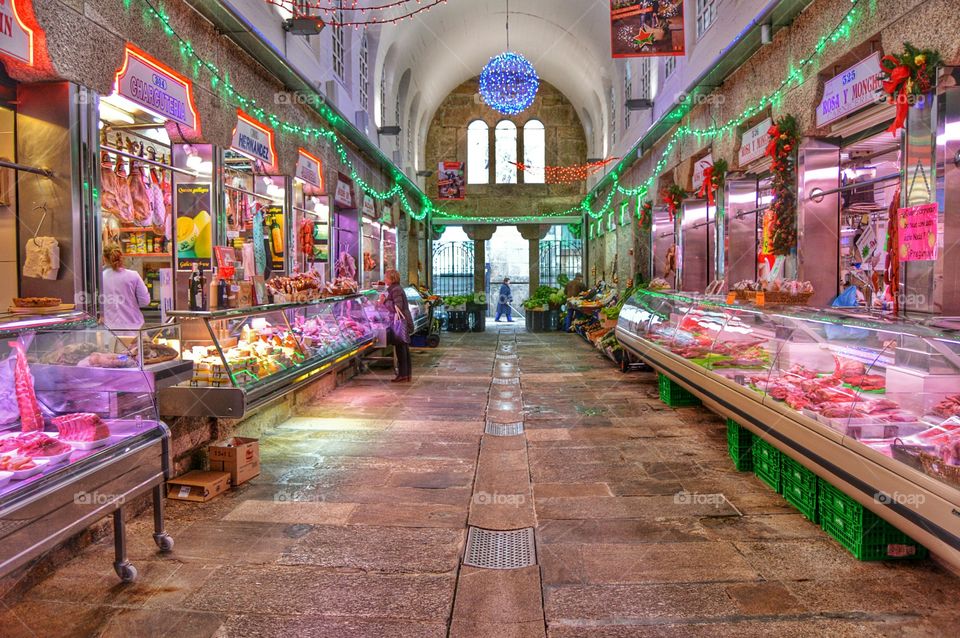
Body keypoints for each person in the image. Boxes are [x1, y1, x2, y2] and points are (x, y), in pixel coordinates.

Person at [101, 243, 151, 330]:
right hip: (134, 328)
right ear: (121, 257)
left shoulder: (100, 277)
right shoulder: (133, 275)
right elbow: (145, 301)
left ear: (104, 259)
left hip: (110, 330)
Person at [382, 269, 414, 382]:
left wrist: (384, 301)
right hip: (401, 321)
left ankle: (403, 374)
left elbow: (397, 307)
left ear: (391, 278)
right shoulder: (395, 288)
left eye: (386, 277)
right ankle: (406, 374)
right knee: (403, 349)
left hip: (400, 322)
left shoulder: (395, 289)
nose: (384, 279)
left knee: (401, 349)